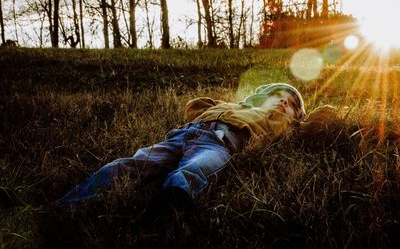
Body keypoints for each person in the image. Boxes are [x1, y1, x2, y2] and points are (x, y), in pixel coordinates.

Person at [57, 83, 306, 210]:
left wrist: (299, 117)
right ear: (262, 96)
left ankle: (165, 208)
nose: (284, 102)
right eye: (279, 96)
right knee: (128, 164)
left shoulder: (279, 124)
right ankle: (68, 204)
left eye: (292, 104)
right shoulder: (237, 106)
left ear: (295, 115)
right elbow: (196, 104)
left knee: (196, 169)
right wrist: (208, 111)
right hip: (181, 136)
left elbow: (316, 120)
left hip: (220, 142)